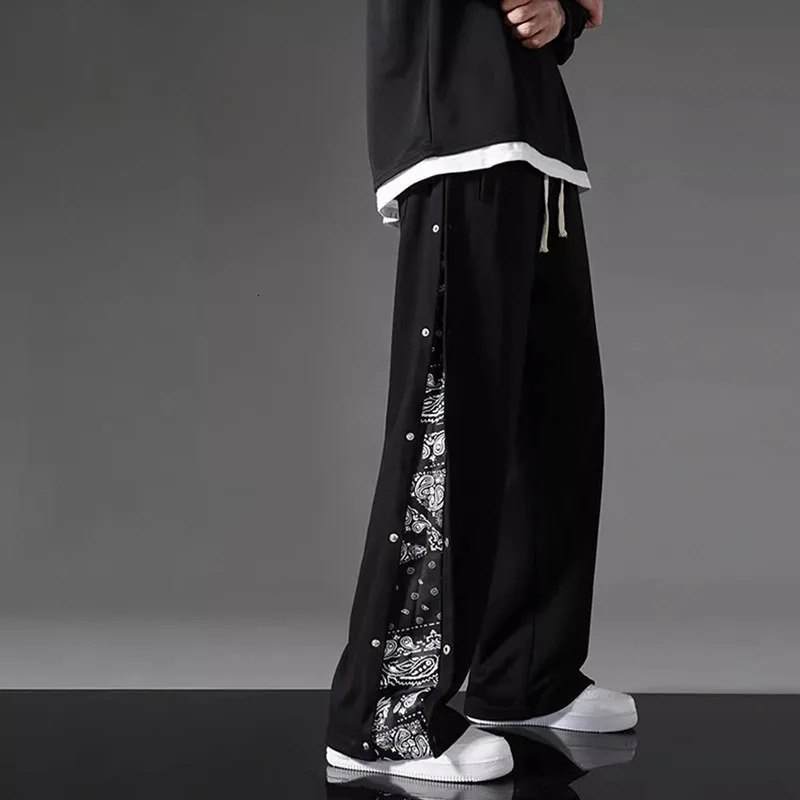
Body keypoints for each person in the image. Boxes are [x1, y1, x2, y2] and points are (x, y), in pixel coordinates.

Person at [324, 0, 636, 784]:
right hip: (460, 127)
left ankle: (524, 671)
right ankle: (382, 717)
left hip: (535, 138)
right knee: (451, 422)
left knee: (554, 419)